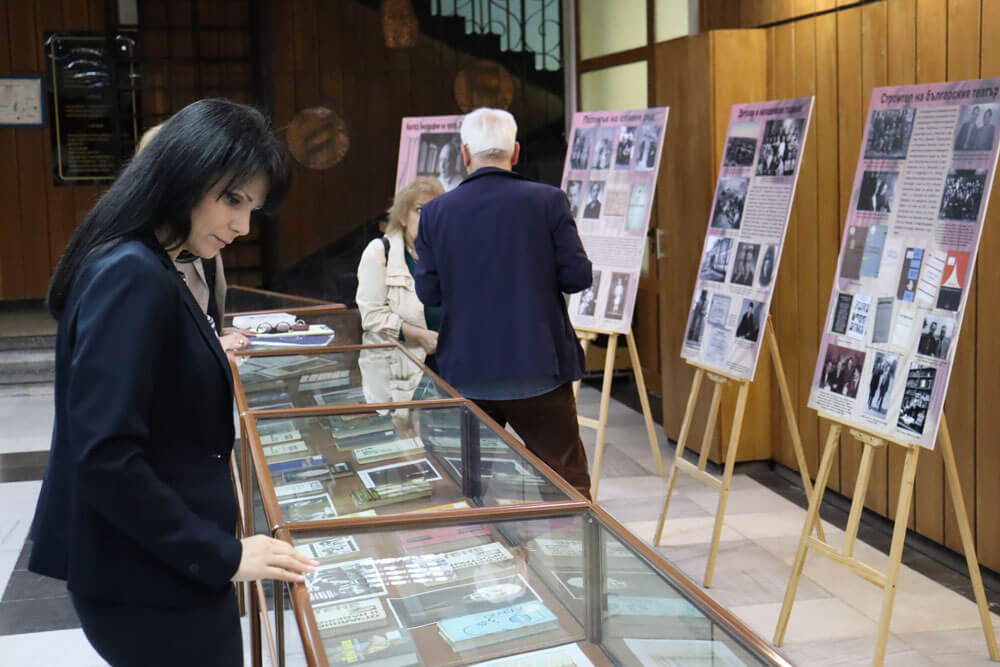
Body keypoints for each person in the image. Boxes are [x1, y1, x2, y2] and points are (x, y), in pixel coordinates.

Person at [29, 99, 316, 667]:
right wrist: (223, 554)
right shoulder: (134, 273)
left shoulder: (148, 262)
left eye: (253, 209)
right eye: (233, 201)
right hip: (147, 577)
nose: (242, 226)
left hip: (158, 564)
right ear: (183, 174)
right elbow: (106, 455)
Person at [414, 107, 594, 498]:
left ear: (465, 153)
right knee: (566, 485)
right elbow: (577, 277)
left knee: (469, 486)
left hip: (467, 370)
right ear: (515, 151)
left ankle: (486, 537)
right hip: (540, 366)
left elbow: (429, 293)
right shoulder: (548, 201)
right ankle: (568, 538)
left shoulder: (436, 212)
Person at [136, 123, 252, 353]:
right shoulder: (134, 258)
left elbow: (206, 316)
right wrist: (209, 346)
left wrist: (213, 333)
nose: (243, 228)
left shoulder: (205, 242)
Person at [356, 176, 445, 370]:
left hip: (453, 369)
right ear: (403, 217)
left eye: (436, 211)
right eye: (420, 210)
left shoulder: (452, 255)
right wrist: (419, 336)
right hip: (403, 371)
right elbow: (371, 317)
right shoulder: (380, 252)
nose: (429, 218)